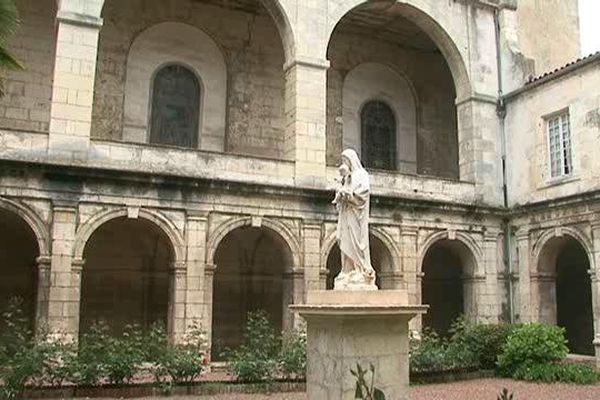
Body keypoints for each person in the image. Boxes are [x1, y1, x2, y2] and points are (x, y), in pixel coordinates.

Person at [333, 149, 377, 290]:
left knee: (356, 241)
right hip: (345, 215)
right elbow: (338, 198)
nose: (344, 163)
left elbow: (363, 193)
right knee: (343, 239)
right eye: (343, 160)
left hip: (356, 215)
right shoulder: (346, 177)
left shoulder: (361, 174)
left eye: (346, 160)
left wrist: (350, 194)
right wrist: (340, 192)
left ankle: (359, 270)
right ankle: (347, 270)